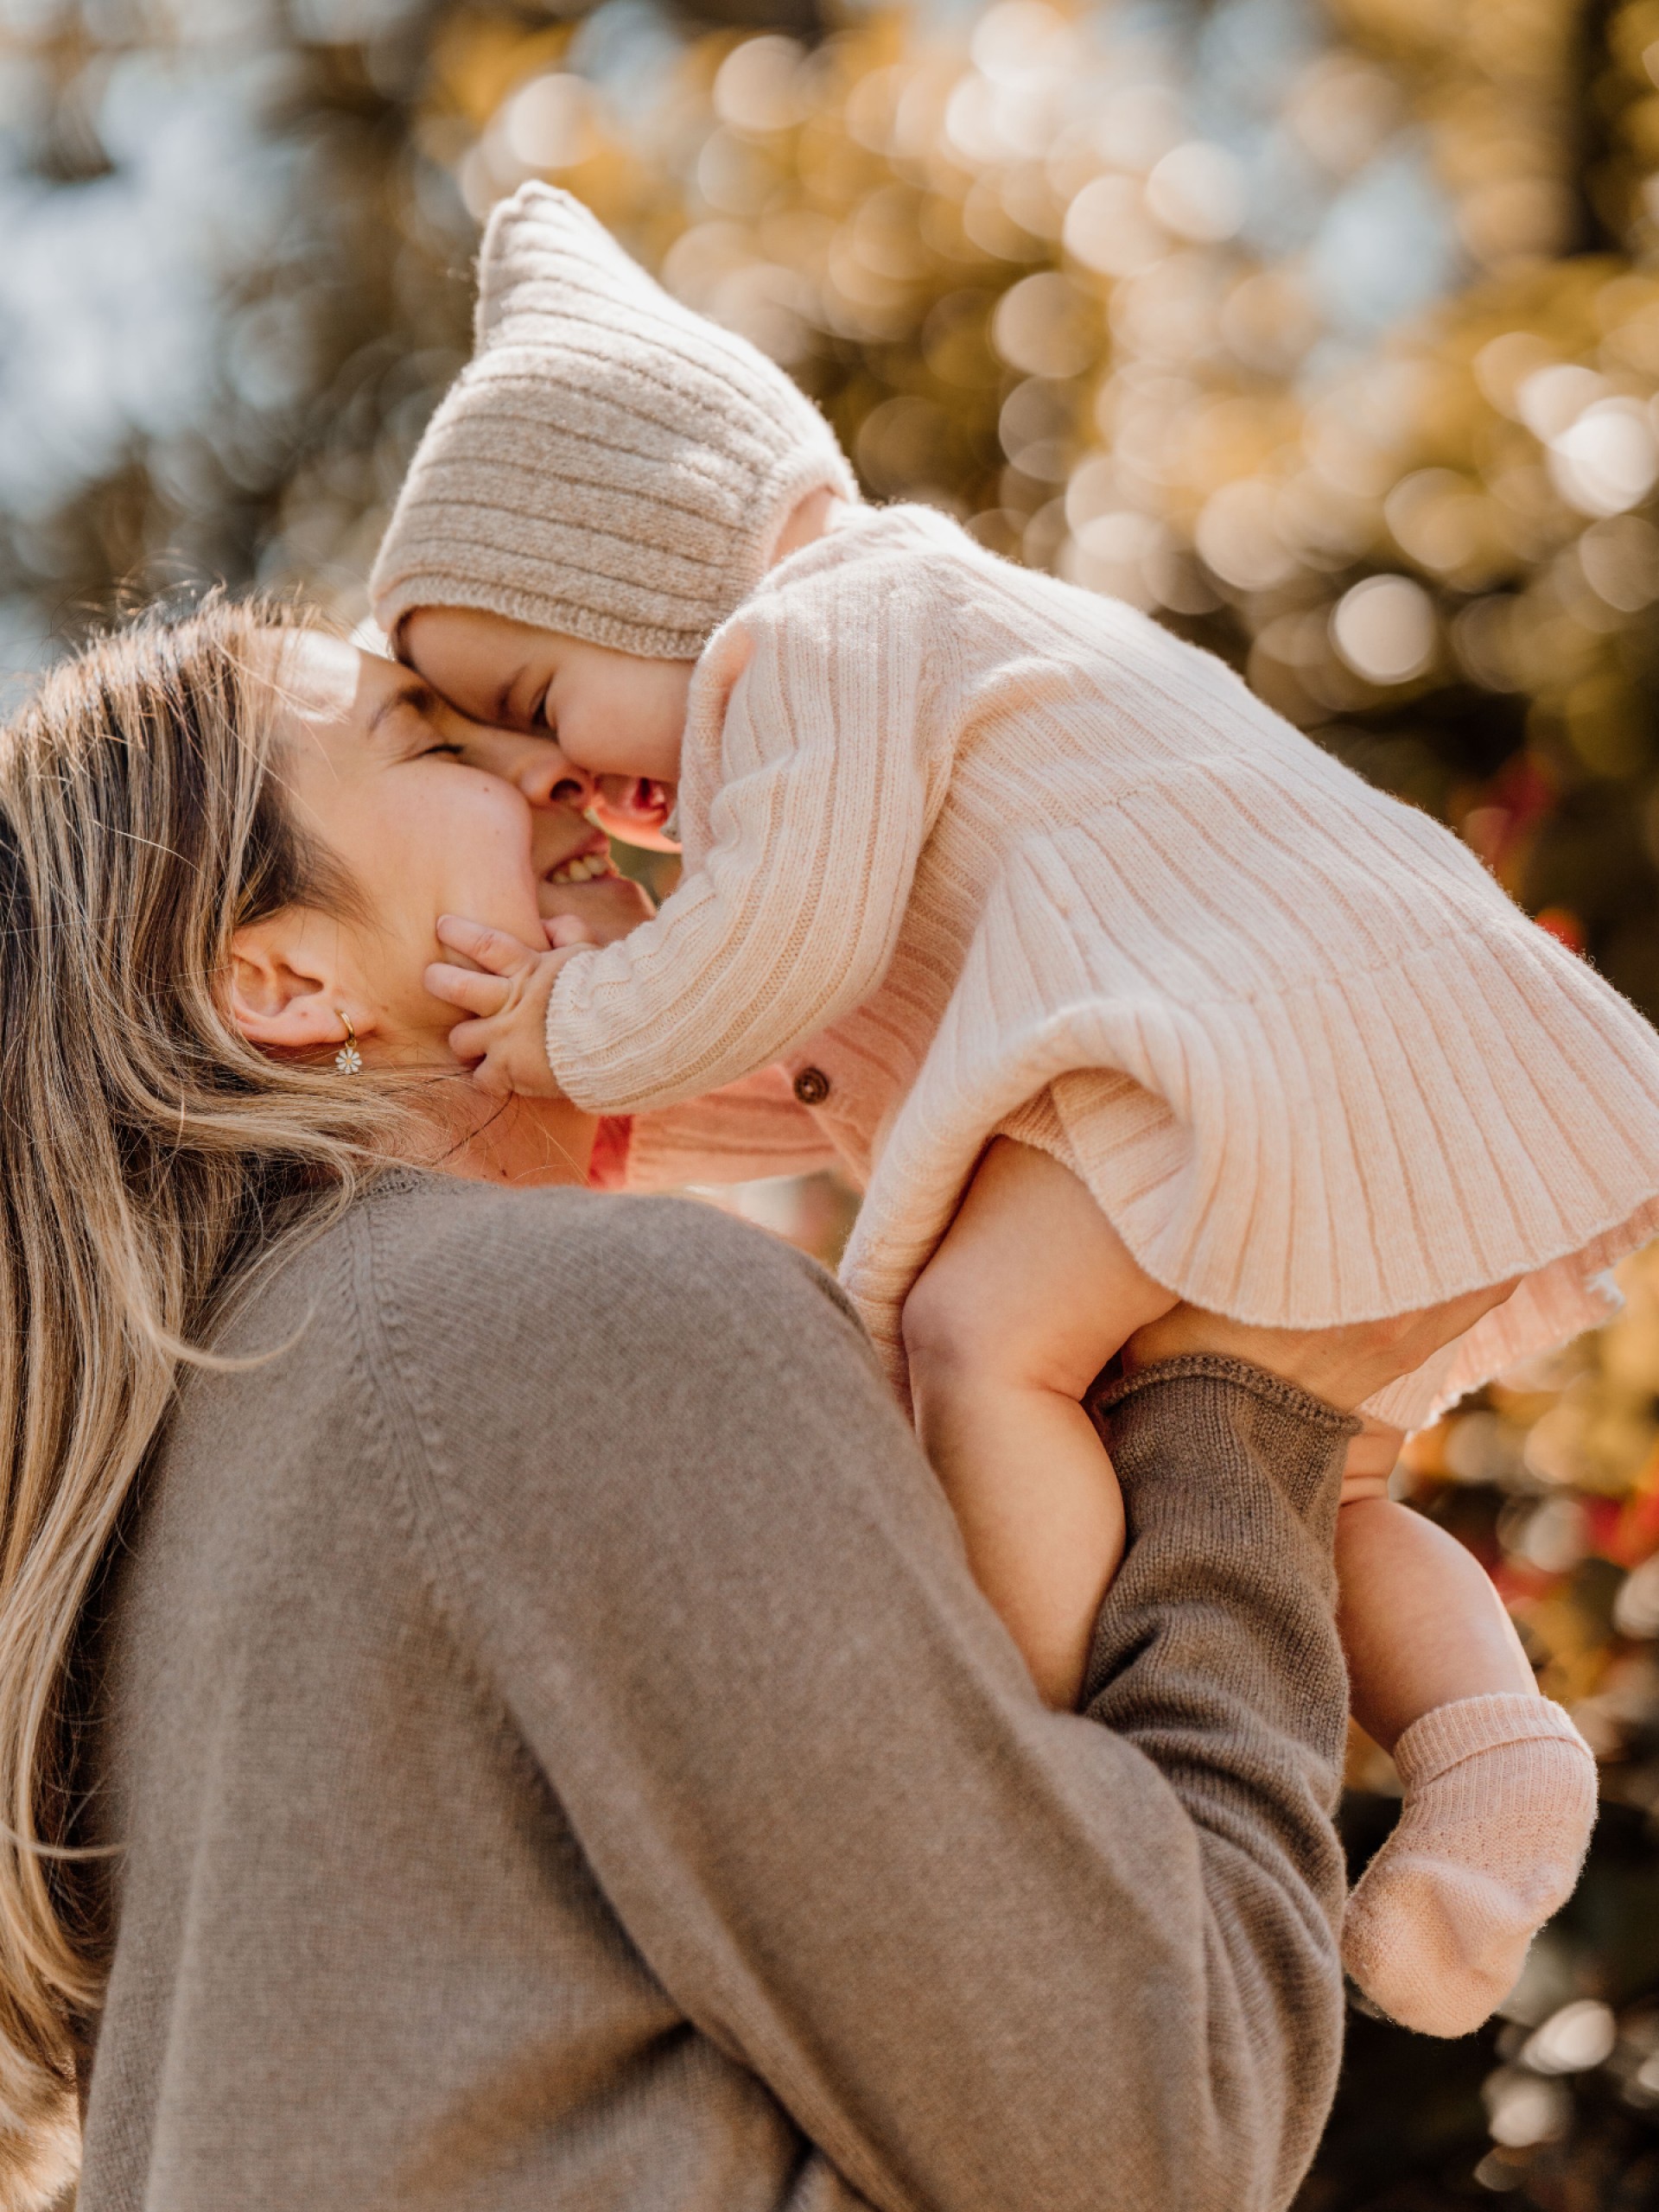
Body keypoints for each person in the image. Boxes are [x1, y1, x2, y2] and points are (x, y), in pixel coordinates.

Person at [0, 598, 1508, 2209]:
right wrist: (1246, 1417)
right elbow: (1146, 2131)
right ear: (283, 978)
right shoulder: (581, 1337)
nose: (563, 770)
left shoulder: (172, 1521)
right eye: (436, 742)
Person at [366, 182, 1625, 2035]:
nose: (558, 777)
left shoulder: (822, 622)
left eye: (539, 699)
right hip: (1307, 1028)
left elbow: (764, 953)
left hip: (1274, 1009)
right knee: (1313, 1481)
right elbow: (800, 1063)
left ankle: (1033, 1773)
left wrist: (567, 1030)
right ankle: (1496, 1749)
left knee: (978, 1342)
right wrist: (576, 1102)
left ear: (665, 551)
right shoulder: (828, 733)